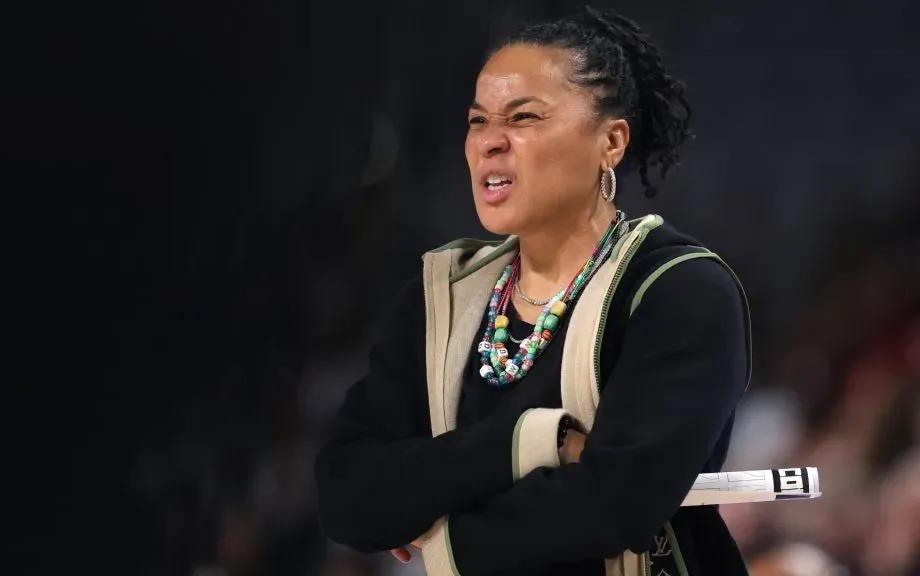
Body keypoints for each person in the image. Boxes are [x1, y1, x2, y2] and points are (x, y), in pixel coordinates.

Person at [314, 6, 752, 576]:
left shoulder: (681, 290)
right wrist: (532, 441)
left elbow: (614, 506)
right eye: (477, 121)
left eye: (523, 118)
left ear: (611, 141)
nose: (491, 143)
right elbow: (347, 496)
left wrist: (435, 525)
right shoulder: (446, 296)